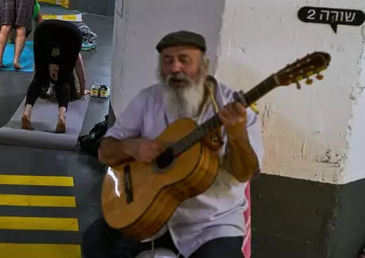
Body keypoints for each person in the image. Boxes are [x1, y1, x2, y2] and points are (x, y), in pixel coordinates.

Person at [82, 30, 264, 258]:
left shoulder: (231, 107)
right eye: (168, 61)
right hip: (146, 214)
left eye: (184, 60)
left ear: (204, 66)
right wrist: (132, 147)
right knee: (96, 241)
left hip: (211, 223)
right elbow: (104, 152)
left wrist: (237, 134)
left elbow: (244, 173)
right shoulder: (148, 99)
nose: (175, 68)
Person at [22, 19, 87, 134]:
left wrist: (39, 76)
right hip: (72, 34)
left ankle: (26, 113)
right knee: (64, 80)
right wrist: (82, 90)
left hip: (43, 29)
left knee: (39, 77)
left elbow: (37, 67)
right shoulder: (73, 44)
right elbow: (80, 70)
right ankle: (61, 117)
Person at [0, 0, 42, 70]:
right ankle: (16, 61)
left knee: (5, 26)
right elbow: (40, 26)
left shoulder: (35, 7)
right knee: (21, 27)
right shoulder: (36, 8)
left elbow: (12, 34)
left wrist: (12, 38)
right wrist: (39, 42)